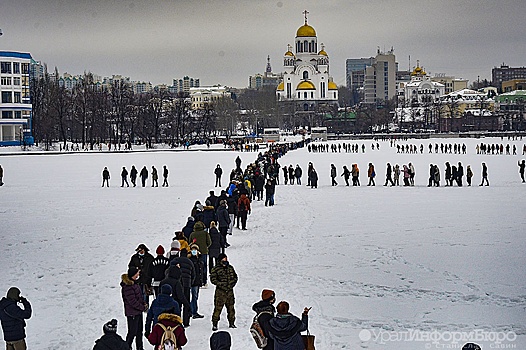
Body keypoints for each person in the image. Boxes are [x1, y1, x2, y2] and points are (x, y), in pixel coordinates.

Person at [120, 266, 148, 350]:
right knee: (132, 332)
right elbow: (132, 302)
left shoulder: (134, 283)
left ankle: (140, 347)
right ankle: (127, 347)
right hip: (132, 313)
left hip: (138, 312)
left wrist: (143, 303)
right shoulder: (128, 287)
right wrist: (142, 307)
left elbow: (139, 297)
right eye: (137, 273)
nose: (138, 274)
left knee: (139, 331)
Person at [210, 253, 238, 331]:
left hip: (230, 292)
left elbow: (235, 277)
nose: (225, 260)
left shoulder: (230, 268)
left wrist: (231, 284)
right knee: (218, 309)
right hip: (220, 292)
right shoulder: (216, 269)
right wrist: (222, 285)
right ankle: (215, 324)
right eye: (223, 259)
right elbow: (213, 279)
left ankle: (231, 323)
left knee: (231, 308)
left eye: (226, 259)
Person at [188, 221, 212, 287]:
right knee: (204, 266)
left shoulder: (192, 234)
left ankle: (197, 280)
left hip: (194, 252)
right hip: (204, 252)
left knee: (196, 266)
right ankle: (204, 281)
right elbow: (209, 242)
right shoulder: (205, 233)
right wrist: (205, 247)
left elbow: (189, 243)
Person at [187, 244, 205, 319]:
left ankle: (193, 311)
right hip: (192, 281)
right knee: (194, 297)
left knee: (195, 297)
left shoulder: (199, 259)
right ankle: (193, 312)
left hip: (197, 281)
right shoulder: (190, 260)